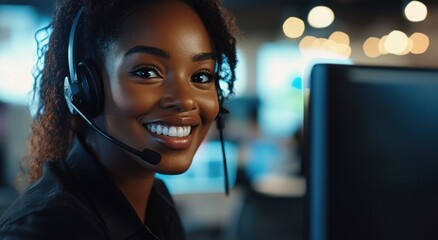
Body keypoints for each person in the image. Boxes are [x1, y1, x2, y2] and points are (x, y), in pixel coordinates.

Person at [0, 0, 238, 239]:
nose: (185, 101)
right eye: (146, 72)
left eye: (201, 76)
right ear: (85, 89)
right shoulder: (43, 230)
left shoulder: (159, 204)